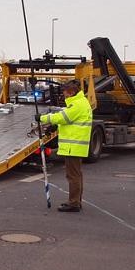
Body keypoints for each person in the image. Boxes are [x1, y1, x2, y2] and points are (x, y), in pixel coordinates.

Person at [37, 79, 93, 212]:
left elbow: (63, 117)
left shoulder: (77, 104)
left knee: (73, 175)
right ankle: (76, 201)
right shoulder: (80, 103)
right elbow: (69, 122)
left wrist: (42, 118)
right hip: (76, 145)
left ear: (72, 92)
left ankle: (73, 203)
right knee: (76, 175)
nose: (64, 95)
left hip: (74, 146)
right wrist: (56, 127)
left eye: (66, 92)